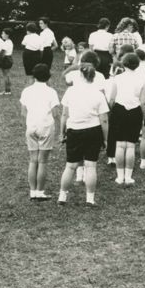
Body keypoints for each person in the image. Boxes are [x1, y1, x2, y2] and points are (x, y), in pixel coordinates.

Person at [57, 63, 110, 207]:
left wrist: (61, 133)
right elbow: (104, 119)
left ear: (80, 75)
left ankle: (62, 196)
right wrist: (105, 138)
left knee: (70, 166)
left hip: (74, 130)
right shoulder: (98, 93)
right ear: (94, 77)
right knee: (91, 166)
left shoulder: (70, 91)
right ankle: (90, 199)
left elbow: (64, 114)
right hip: (93, 130)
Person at [19, 64, 60, 201]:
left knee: (33, 160)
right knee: (42, 161)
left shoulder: (26, 91)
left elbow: (23, 112)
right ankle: (40, 191)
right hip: (46, 126)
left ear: (33, 76)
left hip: (31, 125)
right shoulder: (51, 92)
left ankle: (32, 191)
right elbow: (55, 113)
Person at [107, 52, 144, 186]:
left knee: (120, 144)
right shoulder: (141, 79)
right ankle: (128, 177)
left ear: (124, 63)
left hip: (119, 110)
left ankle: (119, 176)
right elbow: (143, 101)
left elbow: (111, 98)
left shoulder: (117, 78)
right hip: (135, 111)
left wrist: (112, 110)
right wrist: (143, 116)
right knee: (131, 145)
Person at [0, 26, 15, 95]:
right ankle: (8, 90)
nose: (2, 35)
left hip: (6, 59)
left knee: (5, 75)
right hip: (9, 58)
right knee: (7, 75)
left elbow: (3, 53)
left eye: (3, 33)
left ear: (7, 35)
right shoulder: (9, 42)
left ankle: (7, 90)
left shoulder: (6, 43)